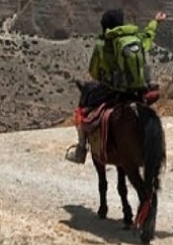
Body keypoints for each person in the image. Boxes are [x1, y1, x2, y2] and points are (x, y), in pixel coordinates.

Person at [65, 9, 165, 164]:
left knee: (82, 109)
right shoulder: (135, 38)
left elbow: (93, 72)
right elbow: (148, 36)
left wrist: (104, 77)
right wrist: (155, 22)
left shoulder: (103, 44)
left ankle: (81, 150)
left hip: (114, 90)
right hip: (138, 89)